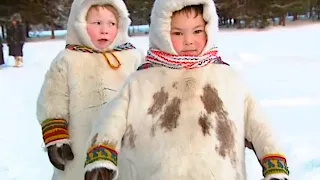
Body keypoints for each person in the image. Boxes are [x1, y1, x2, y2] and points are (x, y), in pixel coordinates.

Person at [83, 0, 290, 180]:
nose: (189, 40)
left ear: (209, 28)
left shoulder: (227, 79)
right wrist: (102, 157)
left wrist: (273, 162)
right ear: (161, 32)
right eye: (178, 33)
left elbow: (259, 124)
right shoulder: (142, 80)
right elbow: (112, 119)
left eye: (197, 31)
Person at [36, 0, 143, 179]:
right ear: (80, 23)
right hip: (80, 145)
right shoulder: (68, 59)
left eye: (112, 23)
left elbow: (147, 94)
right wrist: (55, 136)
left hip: (125, 144)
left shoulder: (133, 57)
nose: (105, 30)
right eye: (97, 23)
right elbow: (52, 98)